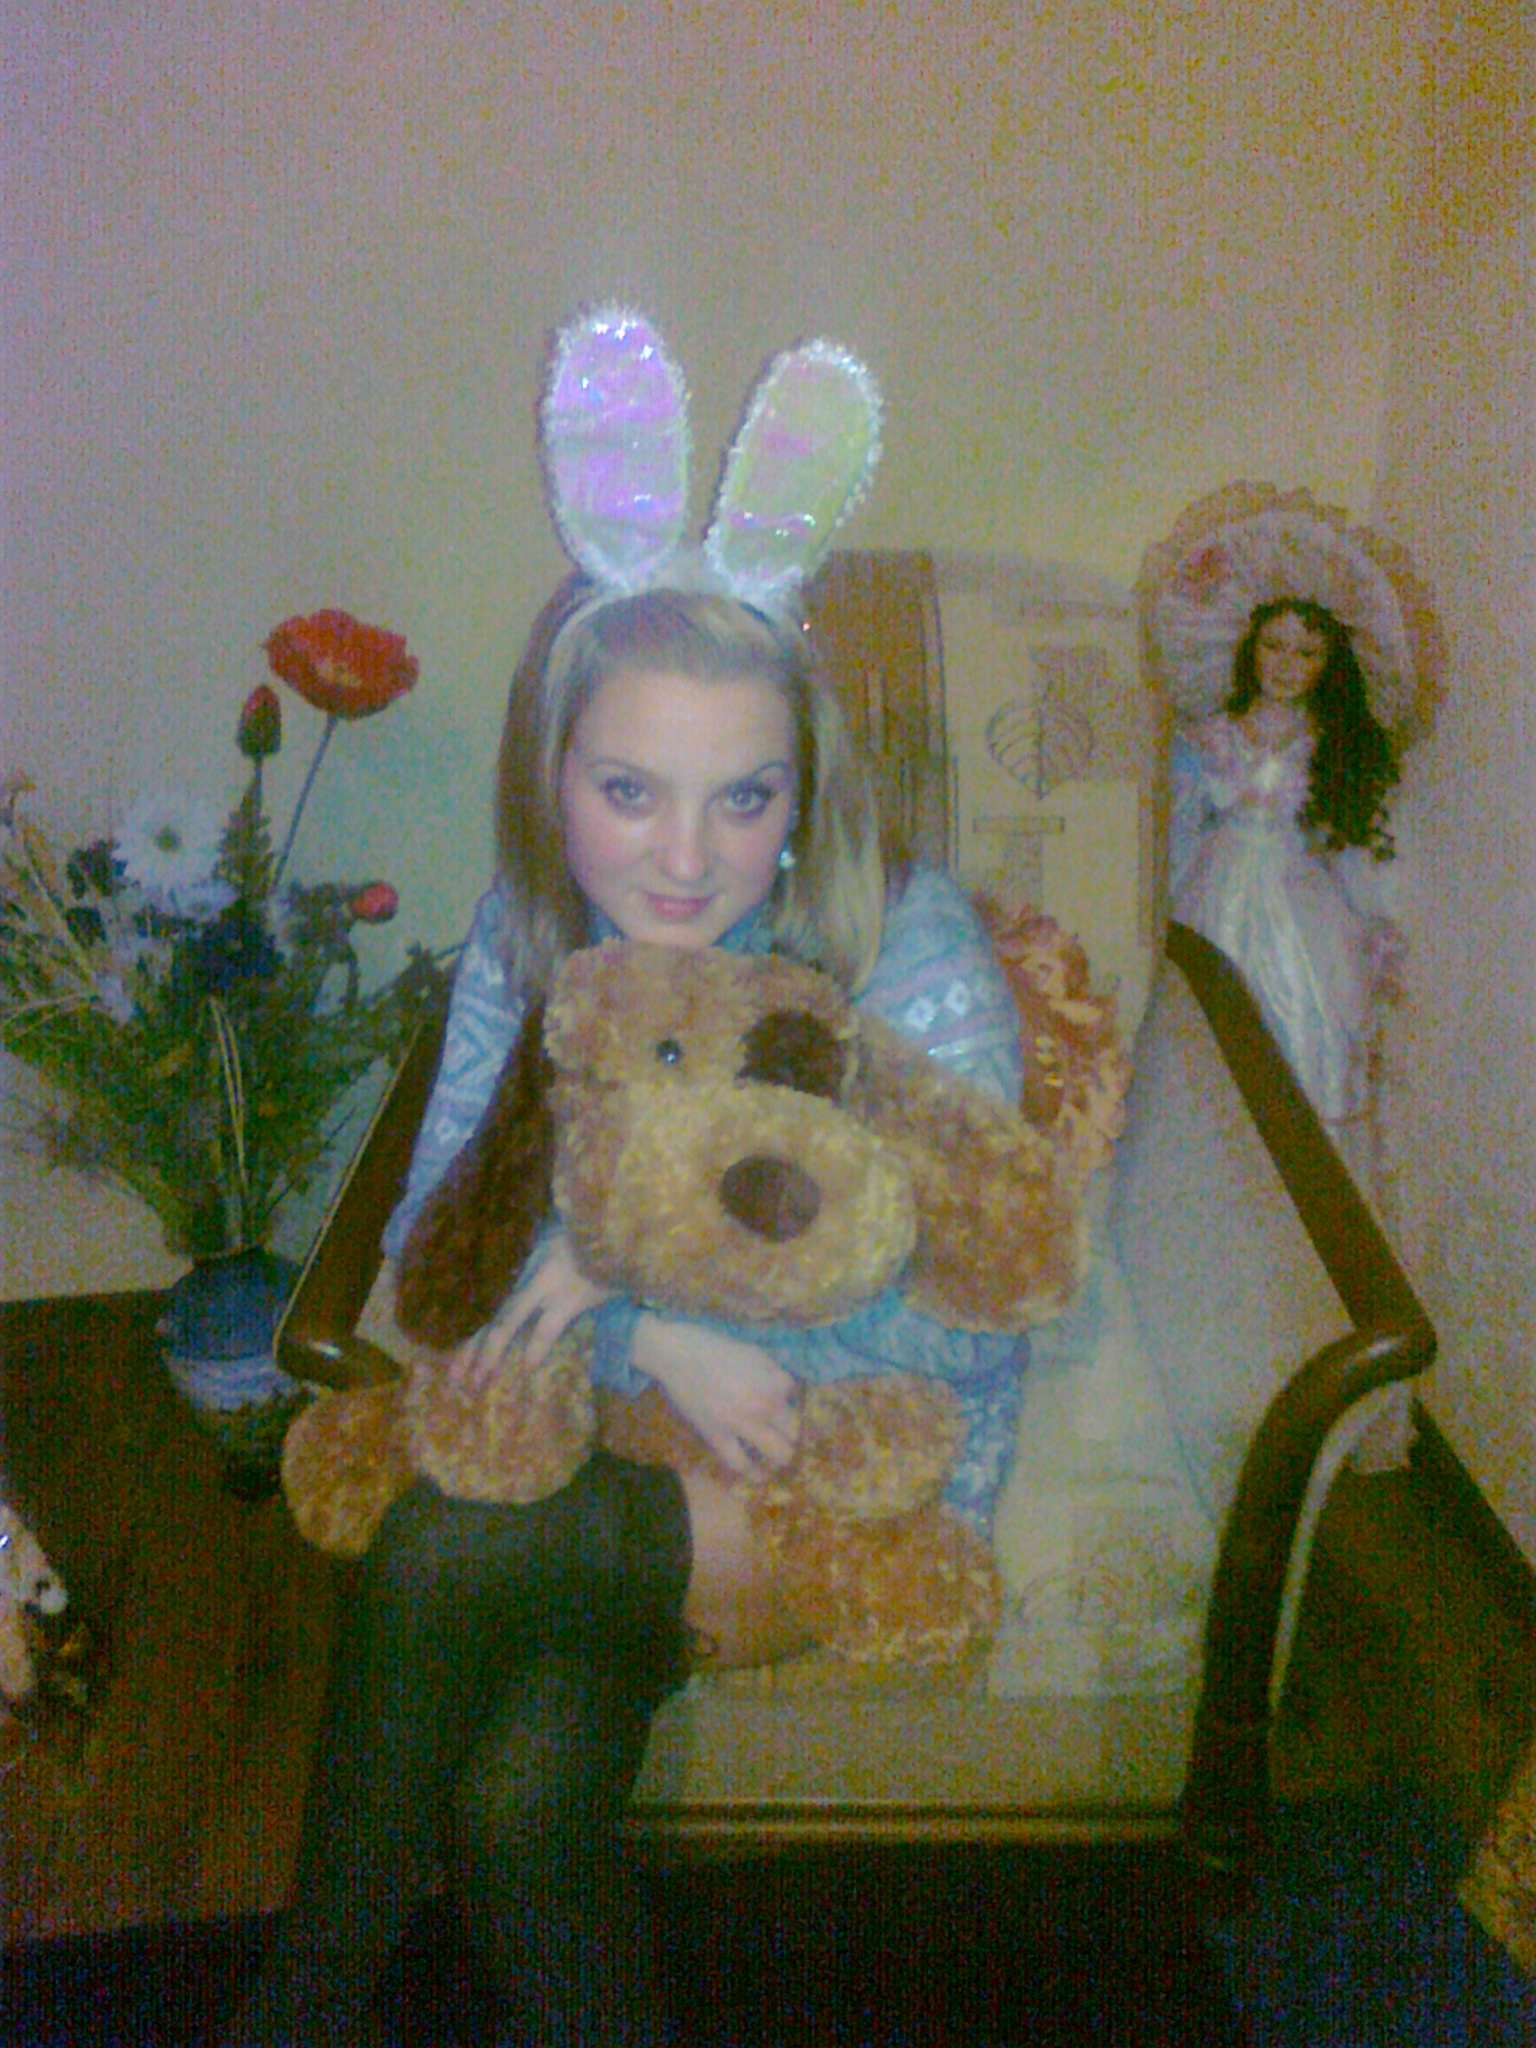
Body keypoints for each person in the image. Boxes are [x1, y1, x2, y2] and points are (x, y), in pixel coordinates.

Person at [227, 317, 1030, 2046]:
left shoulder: (902, 952)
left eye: (744, 798)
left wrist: (657, 1316)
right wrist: (645, 1336)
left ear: (803, 789)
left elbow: (974, 1320)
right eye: (629, 790)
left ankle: (302, 2007)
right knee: (515, 1811)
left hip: (844, 1477)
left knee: (445, 1541)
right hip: (601, 1444)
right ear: (553, 774)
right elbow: (443, 1245)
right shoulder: (528, 938)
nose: (682, 856)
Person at [1168, 596, 1404, 1138]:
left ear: (1328, 664)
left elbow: (1350, 852)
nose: (1286, 665)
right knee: (1204, 1028)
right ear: (1251, 647)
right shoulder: (1213, 735)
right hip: (1213, 892)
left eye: (1306, 653)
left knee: (1301, 1018)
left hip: (1296, 899)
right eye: (1274, 646)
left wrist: (1374, 922)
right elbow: (1181, 830)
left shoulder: (1327, 745)